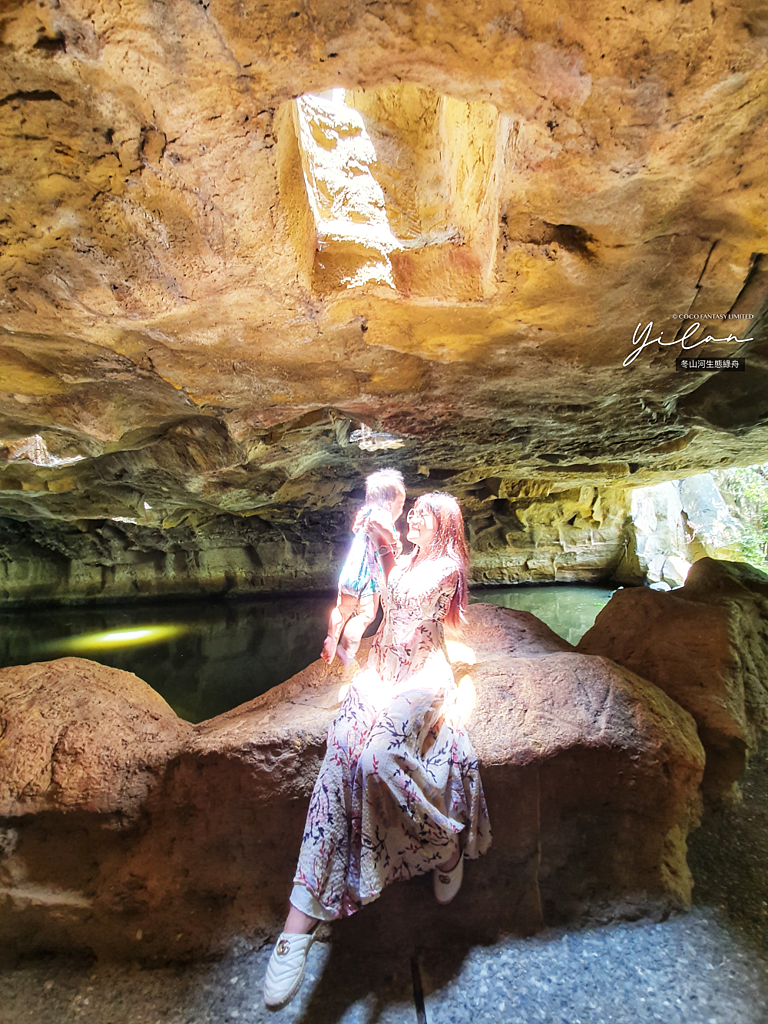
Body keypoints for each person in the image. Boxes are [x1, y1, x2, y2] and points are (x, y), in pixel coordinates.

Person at [264, 492, 491, 1009]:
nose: (413, 517)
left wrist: (387, 546)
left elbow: (412, 606)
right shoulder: (407, 557)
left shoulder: (445, 567)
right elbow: (374, 601)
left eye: (422, 514)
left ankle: (445, 845)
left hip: (420, 676)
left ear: (444, 524)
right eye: (412, 513)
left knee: (378, 759)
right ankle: (298, 923)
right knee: (340, 754)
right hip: (378, 672)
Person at [321, 469, 405, 666]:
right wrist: (393, 538)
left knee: (342, 610)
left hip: (349, 572)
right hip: (368, 575)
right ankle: (346, 649)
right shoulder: (380, 514)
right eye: (400, 506)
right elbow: (379, 523)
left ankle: (331, 638)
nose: (400, 511)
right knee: (366, 615)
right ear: (389, 503)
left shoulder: (363, 514)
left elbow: (359, 530)